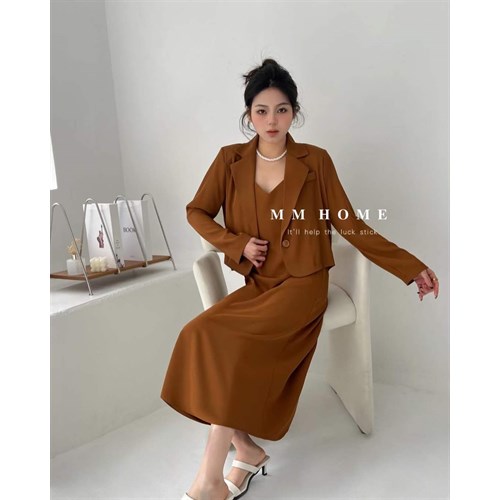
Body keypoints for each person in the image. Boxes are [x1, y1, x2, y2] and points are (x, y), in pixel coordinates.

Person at [160, 58, 439, 500]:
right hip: (259, 286)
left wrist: (410, 267)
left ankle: (210, 481)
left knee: (227, 342)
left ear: (294, 112)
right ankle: (246, 450)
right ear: (249, 115)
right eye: (262, 111)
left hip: (304, 286)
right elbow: (196, 212)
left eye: (282, 110)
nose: (272, 120)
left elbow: (350, 225)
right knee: (197, 334)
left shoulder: (316, 161)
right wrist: (236, 244)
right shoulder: (229, 160)